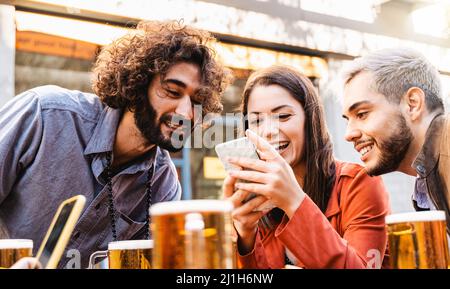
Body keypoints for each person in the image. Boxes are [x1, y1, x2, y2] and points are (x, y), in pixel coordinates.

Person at [0, 20, 230, 268]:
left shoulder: (163, 183)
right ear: (138, 85)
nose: (186, 113)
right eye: (173, 92)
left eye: (196, 101)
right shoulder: (45, 115)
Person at [223, 66, 390, 268]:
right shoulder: (258, 201)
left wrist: (294, 201)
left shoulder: (358, 183)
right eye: (256, 120)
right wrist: (245, 236)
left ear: (310, 120)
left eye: (283, 116)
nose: (268, 131)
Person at [341, 48, 450, 231]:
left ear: (412, 104)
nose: (349, 134)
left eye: (362, 114)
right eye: (347, 119)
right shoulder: (428, 174)